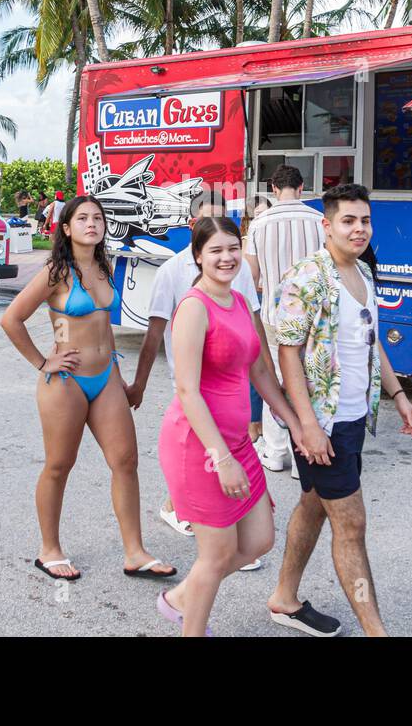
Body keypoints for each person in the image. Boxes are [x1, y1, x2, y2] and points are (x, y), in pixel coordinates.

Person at [267, 183, 412, 637]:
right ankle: (377, 631)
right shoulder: (307, 278)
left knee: (314, 505)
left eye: (365, 220)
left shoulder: (364, 274)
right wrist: (308, 427)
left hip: (353, 417)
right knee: (351, 524)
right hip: (323, 423)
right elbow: (287, 352)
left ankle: (284, 598)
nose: (359, 229)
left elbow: (371, 343)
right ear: (327, 226)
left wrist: (398, 394)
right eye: (348, 221)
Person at [0, 194, 175, 582]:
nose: (92, 224)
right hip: (66, 382)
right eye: (82, 219)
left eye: (97, 218)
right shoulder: (54, 272)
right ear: (66, 228)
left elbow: (102, 327)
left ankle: (135, 552)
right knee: (59, 466)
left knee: (126, 462)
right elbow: (11, 319)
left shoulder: (103, 266)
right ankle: (49, 550)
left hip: (107, 377)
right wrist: (43, 362)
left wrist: (125, 380)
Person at [154, 216, 310, 636]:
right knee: (218, 554)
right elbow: (187, 390)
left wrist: (293, 422)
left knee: (258, 540)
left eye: (232, 248)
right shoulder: (193, 307)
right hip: (199, 445)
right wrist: (220, 457)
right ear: (198, 256)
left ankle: (181, 597)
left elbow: (261, 369)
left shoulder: (239, 302)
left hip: (238, 441)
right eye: (215, 250)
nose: (226, 257)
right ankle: (192, 626)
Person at [128, 193, 265, 559]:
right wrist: (138, 385)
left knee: (225, 462)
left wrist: (273, 386)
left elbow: (254, 321)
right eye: (208, 224)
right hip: (194, 388)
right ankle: (198, 527)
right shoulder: (172, 271)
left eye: (226, 226)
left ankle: (195, 517)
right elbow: (154, 332)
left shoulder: (238, 272)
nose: (222, 246)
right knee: (207, 458)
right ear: (194, 232)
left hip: (233, 385)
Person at [244, 165, 326, 474]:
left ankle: (277, 451)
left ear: (274, 190)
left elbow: (251, 276)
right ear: (301, 187)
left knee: (276, 379)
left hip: (273, 316)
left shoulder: (259, 224)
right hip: (313, 317)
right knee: (310, 381)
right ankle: (304, 454)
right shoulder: (319, 221)